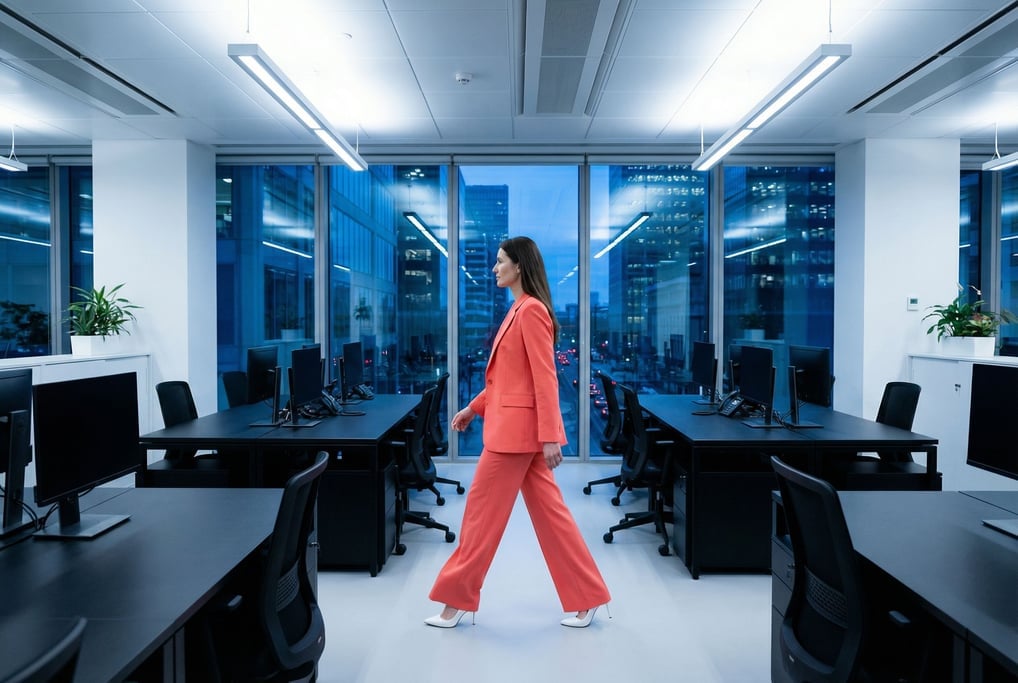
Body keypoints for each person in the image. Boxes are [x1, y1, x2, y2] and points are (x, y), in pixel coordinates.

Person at [425, 236, 611, 629]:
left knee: (479, 518)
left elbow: (545, 379)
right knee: (552, 518)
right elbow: (508, 380)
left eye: (500, 261)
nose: (494, 268)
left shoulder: (530, 312)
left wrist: (550, 437)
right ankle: (587, 596)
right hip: (514, 430)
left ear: (519, 267)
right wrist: (473, 408)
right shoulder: (518, 309)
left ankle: (454, 602)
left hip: (515, 438)